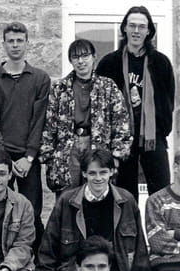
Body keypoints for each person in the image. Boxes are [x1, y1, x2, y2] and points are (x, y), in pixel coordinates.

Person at [37, 148, 149, 271]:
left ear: (111, 172)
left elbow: (139, 245)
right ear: (84, 173)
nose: (98, 178)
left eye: (103, 173)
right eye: (92, 173)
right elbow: (49, 245)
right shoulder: (67, 201)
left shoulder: (126, 201)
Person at [96, 5, 175, 200]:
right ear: (124, 28)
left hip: (152, 137)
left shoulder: (161, 62)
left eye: (142, 26)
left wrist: (162, 128)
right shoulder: (109, 63)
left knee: (161, 194)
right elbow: (100, 104)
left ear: (149, 31)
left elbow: (168, 100)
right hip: (121, 138)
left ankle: (158, 223)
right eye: (132, 25)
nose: (136, 31)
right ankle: (129, 223)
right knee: (124, 196)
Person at [0, 22, 50, 245]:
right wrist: (4, 159)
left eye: (20, 40)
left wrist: (29, 156)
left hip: (28, 159)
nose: (15, 45)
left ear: (27, 44)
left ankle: (35, 258)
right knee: (0, 210)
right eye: (10, 41)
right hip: (2, 158)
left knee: (32, 211)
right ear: (3, 44)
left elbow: (39, 120)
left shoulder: (40, 78)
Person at [40, 39, 132, 196]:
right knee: (67, 197)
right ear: (70, 60)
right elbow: (49, 124)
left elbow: (121, 122)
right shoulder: (59, 88)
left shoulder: (107, 86)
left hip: (97, 146)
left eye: (85, 56)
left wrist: (117, 155)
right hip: (68, 148)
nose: (81, 61)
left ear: (94, 57)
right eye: (76, 57)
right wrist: (49, 157)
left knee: (97, 196)